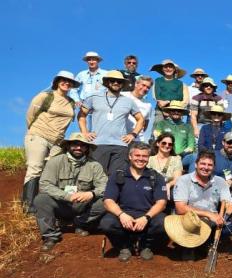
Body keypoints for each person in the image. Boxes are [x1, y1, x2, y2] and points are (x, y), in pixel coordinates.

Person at [33, 133, 108, 251]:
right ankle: (50, 236)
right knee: (40, 199)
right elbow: (45, 184)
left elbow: (105, 186)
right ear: (68, 146)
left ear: (87, 148)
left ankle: (81, 224)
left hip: (84, 206)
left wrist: (91, 194)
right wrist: (67, 196)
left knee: (107, 200)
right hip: (61, 205)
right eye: (75, 144)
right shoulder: (55, 161)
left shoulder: (95, 165)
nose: (78, 148)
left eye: (83, 145)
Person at [99, 142, 167, 261]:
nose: (141, 159)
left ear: (148, 158)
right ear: (130, 156)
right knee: (106, 223)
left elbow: (161, 203)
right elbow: (108, 201)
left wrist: (147, 217)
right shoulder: (117, 175)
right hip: (125, 214)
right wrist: (121, 215)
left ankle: (145, 246)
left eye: (144, 156)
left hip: (147, 214)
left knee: (163, 222)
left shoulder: (156, 177)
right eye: (137, 155)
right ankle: (125, 246)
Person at [23, 71, 78, 211]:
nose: (66, 83)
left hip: (57, 142)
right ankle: (28, 206)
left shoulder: (71, 103)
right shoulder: (45, 96)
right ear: (57, 82)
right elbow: (30, 115)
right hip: (38, 135)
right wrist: (34, 131)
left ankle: (51, 205)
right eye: (63, 80)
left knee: (54, 171)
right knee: (35, 168)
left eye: (69, 81)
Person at [170, 150, 232, 258]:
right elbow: (180, 208)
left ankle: (209, 242)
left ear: (213, 167)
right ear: (196, 164)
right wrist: (208, 214)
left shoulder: (220, 181)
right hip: (191, 219)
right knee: (195, 222)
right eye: (203, 164)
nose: (206, 167)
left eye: (210, 165)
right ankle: (189, 244)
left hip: (212, 222)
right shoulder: (184, 180)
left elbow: (228, 203)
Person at [77, 70, 145, 175]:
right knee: (96, 177)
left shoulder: (128, 101)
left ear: (123, 84)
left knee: (116, 179)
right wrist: (85, 133)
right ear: (107, 82)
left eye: (119, 81)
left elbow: (141, 119)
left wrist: (133, 134)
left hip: (120, 145)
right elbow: (81, 115)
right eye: (113, 80)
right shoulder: (94, 98)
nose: (116, 83)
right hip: (98, 144)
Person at [150, 58, 188, 125]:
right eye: (166, 67)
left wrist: (168, 101)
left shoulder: (179, 83)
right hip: (160, 110)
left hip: (175, 110)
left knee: (175, 130)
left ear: (174, 69)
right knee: (157, 127)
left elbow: (179, 96)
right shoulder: (158, 80)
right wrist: (163, 108)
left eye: (170, 67)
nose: (168, 69)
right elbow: (157, 95)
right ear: (162, 69)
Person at [148, 133, 183, 197]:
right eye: (164, 143)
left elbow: (177, 179)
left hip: (169, 188)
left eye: (170, 144)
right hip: (152, 188)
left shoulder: (176, 159)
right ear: (158, 143)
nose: (167, 146)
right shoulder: (150, 159)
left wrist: (169, 184)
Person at [127, 75, 155, 145]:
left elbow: (145, 124)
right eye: (143, 85)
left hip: (137, 140)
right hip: (121, 138)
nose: (145, 88)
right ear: (136, 84)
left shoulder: (148, 105)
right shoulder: (123, 96)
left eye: (148, 87)